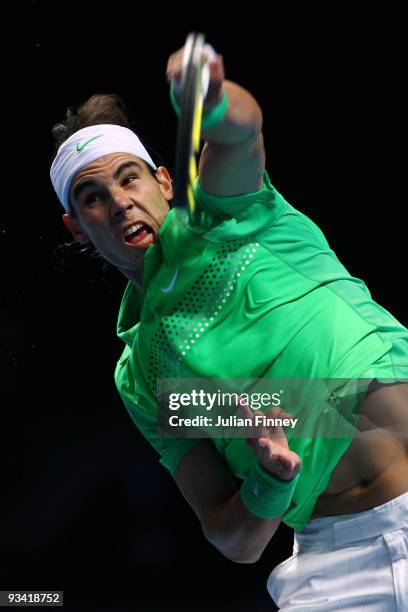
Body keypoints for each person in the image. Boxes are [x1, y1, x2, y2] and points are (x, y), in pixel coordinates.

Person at [50, 42, 408, 610]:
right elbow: (232, 537)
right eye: (93, 197)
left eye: (130, 179)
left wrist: (211, 101)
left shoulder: (222, 213)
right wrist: (270, 479)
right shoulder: (141, 371)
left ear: (165, 182)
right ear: (76, 225)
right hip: (335, 565)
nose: (119, 203)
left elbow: (240, 133)